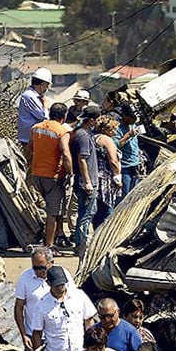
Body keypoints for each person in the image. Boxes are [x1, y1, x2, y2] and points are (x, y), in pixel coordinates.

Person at [14, 247, 75, 351]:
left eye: (42, 267)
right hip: (34, 336)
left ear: (51, 263)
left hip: (57, 338)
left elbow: (74, 302)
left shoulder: (63, 276)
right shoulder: (25, 278)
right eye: (35, 267)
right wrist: (23, 334)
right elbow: (19, 307)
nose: (38, 271)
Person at [30, 102, 73, 248]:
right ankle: (48, 246)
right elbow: (66, 154)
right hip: (53, 176)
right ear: (64, 116)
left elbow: (29, 149)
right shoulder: (62, 131)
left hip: (37, 175)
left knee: (52, 209)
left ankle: (58, 236)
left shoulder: (36, 128)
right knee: (52, 213)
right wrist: (71, 173)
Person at [71, 105, 101, 258]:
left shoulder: (82, 133)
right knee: (87, 214)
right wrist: (88, 182)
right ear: (91, 121)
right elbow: (82, 159)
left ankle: (80, 243)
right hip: (86, 182)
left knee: (85, 212)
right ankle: (82, 244)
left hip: (84, 180)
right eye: (97, 119)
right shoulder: (82, 136)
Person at [91, 115, 122, 228]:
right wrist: (117, 177)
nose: (114, 131)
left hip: (95, 176)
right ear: (105, 129)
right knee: (107, 209)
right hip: (106, 178)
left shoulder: (93, 137)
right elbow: (113, 161)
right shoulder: (106, 140)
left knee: (97, 210)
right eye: (112, 129)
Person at [18, 67, 52, 156]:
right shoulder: (29, 96)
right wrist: (45, 106)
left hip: (34, 138)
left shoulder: (34, 96)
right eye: (47, 86)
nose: (46, 89)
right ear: (42, 84)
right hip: (29, 139)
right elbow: (42, 116)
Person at [113, 104, 141, 200]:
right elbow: (116, 145)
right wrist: (128, 135)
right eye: (132, 117)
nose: (134, 119)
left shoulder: (133, 125)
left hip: (135, 164)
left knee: (134, 194)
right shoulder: (117, 128)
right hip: (125, 167)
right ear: (124, 115)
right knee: (125, 195)